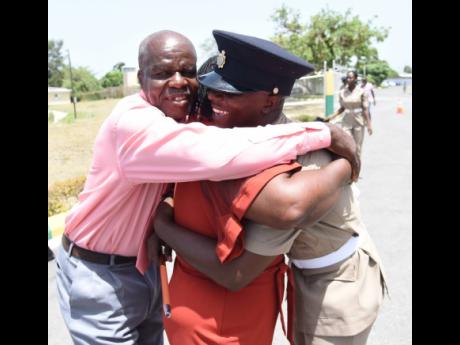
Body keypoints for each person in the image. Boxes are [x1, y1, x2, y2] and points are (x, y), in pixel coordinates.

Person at [55, 30, 357, 345]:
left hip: (148, 271)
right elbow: (217, 155)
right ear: (140, 77)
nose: (179, 82)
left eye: (188, 72)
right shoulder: (139, 123)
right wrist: (326, 137)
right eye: (161, 73)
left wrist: (163, 219)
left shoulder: (186, 120)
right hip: (101, 273)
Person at [152, 30, 360, 345]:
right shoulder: (219, 142)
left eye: (229, 92)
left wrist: (162, 223)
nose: (213, 99)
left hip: (328, 289)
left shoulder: (222, 144)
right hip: (221, 317)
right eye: (209, 91)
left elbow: (288, 206)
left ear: (270, 101)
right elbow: (238, 268)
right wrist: (346, 162)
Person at [327, 71, 372, 159]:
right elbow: (342, 108)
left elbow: (365, 109)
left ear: (355, 79)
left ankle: (357, 165)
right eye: (347, 77)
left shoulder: (361, 92)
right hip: (346, 121)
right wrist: (331, 117)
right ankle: (349, 164)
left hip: (358, 121)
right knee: (347, 144)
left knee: (357, 147)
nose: (348, 79)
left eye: (350, 77)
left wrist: (369, 124)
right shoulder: (342, 92)